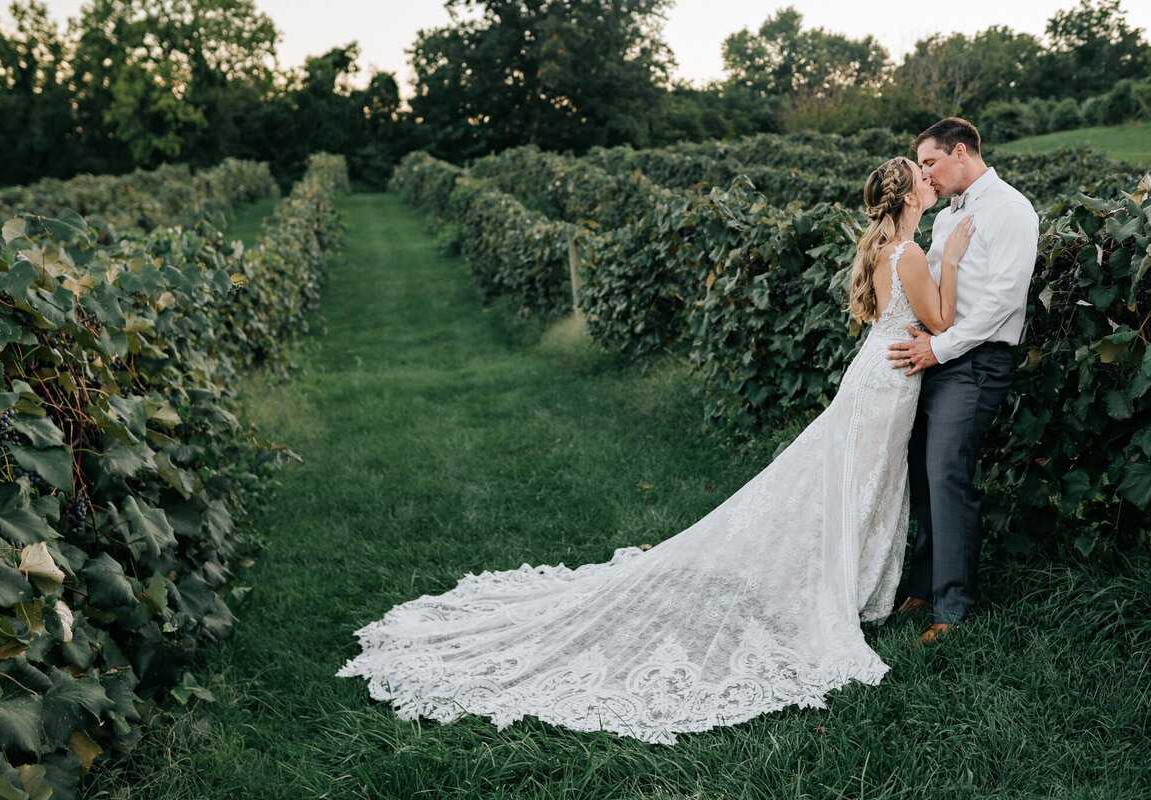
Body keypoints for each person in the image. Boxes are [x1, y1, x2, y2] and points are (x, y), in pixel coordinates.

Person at [337, 158, 974, 744]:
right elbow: (942, 323)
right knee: (858, 484)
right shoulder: (912, 255)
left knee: (854, 483)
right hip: (886, 385)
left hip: (878, 380)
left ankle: (834, 582)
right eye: (922, 178)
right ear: (908, 198)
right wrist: (953, 260)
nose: (930, 180)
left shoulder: (885, 249)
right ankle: (823, 589)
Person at [887, 118, 1039, 644]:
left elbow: (1004, 300)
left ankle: (952, 610)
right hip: (937, 356)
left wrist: (940, 347)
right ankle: (923, 586)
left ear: (960, 152)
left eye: (929, 162)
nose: (925, 174)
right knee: (924, 475)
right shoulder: (947, 215)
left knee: (948, 476)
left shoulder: (1010, 209)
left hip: (975, 363)